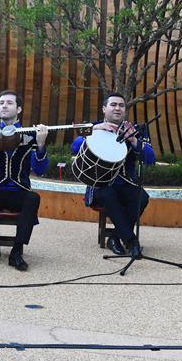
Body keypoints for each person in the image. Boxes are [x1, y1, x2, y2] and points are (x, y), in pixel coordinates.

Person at [0, 90, 48, 271]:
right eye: (1, 103)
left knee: (33, 198)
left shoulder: (30, 134)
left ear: (19, 109)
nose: (3, 106)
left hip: (19, 189)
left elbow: (40, 170)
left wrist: (41, 144)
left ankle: (17, 251)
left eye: (9, 103)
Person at [71, 92, 155, 258]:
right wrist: (95, 130)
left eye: (121, 105)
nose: (117, 108)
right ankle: (131, 241)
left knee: (142, 197)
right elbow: (75, 147)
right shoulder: (93, 127)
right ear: (104, 109)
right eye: (113, 105)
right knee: (108, 194)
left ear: (125, 110)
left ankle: (115, 237)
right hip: (100, 184)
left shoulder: (135, 131)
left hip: (126, 182)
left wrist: (134, 141)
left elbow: (150, 158)